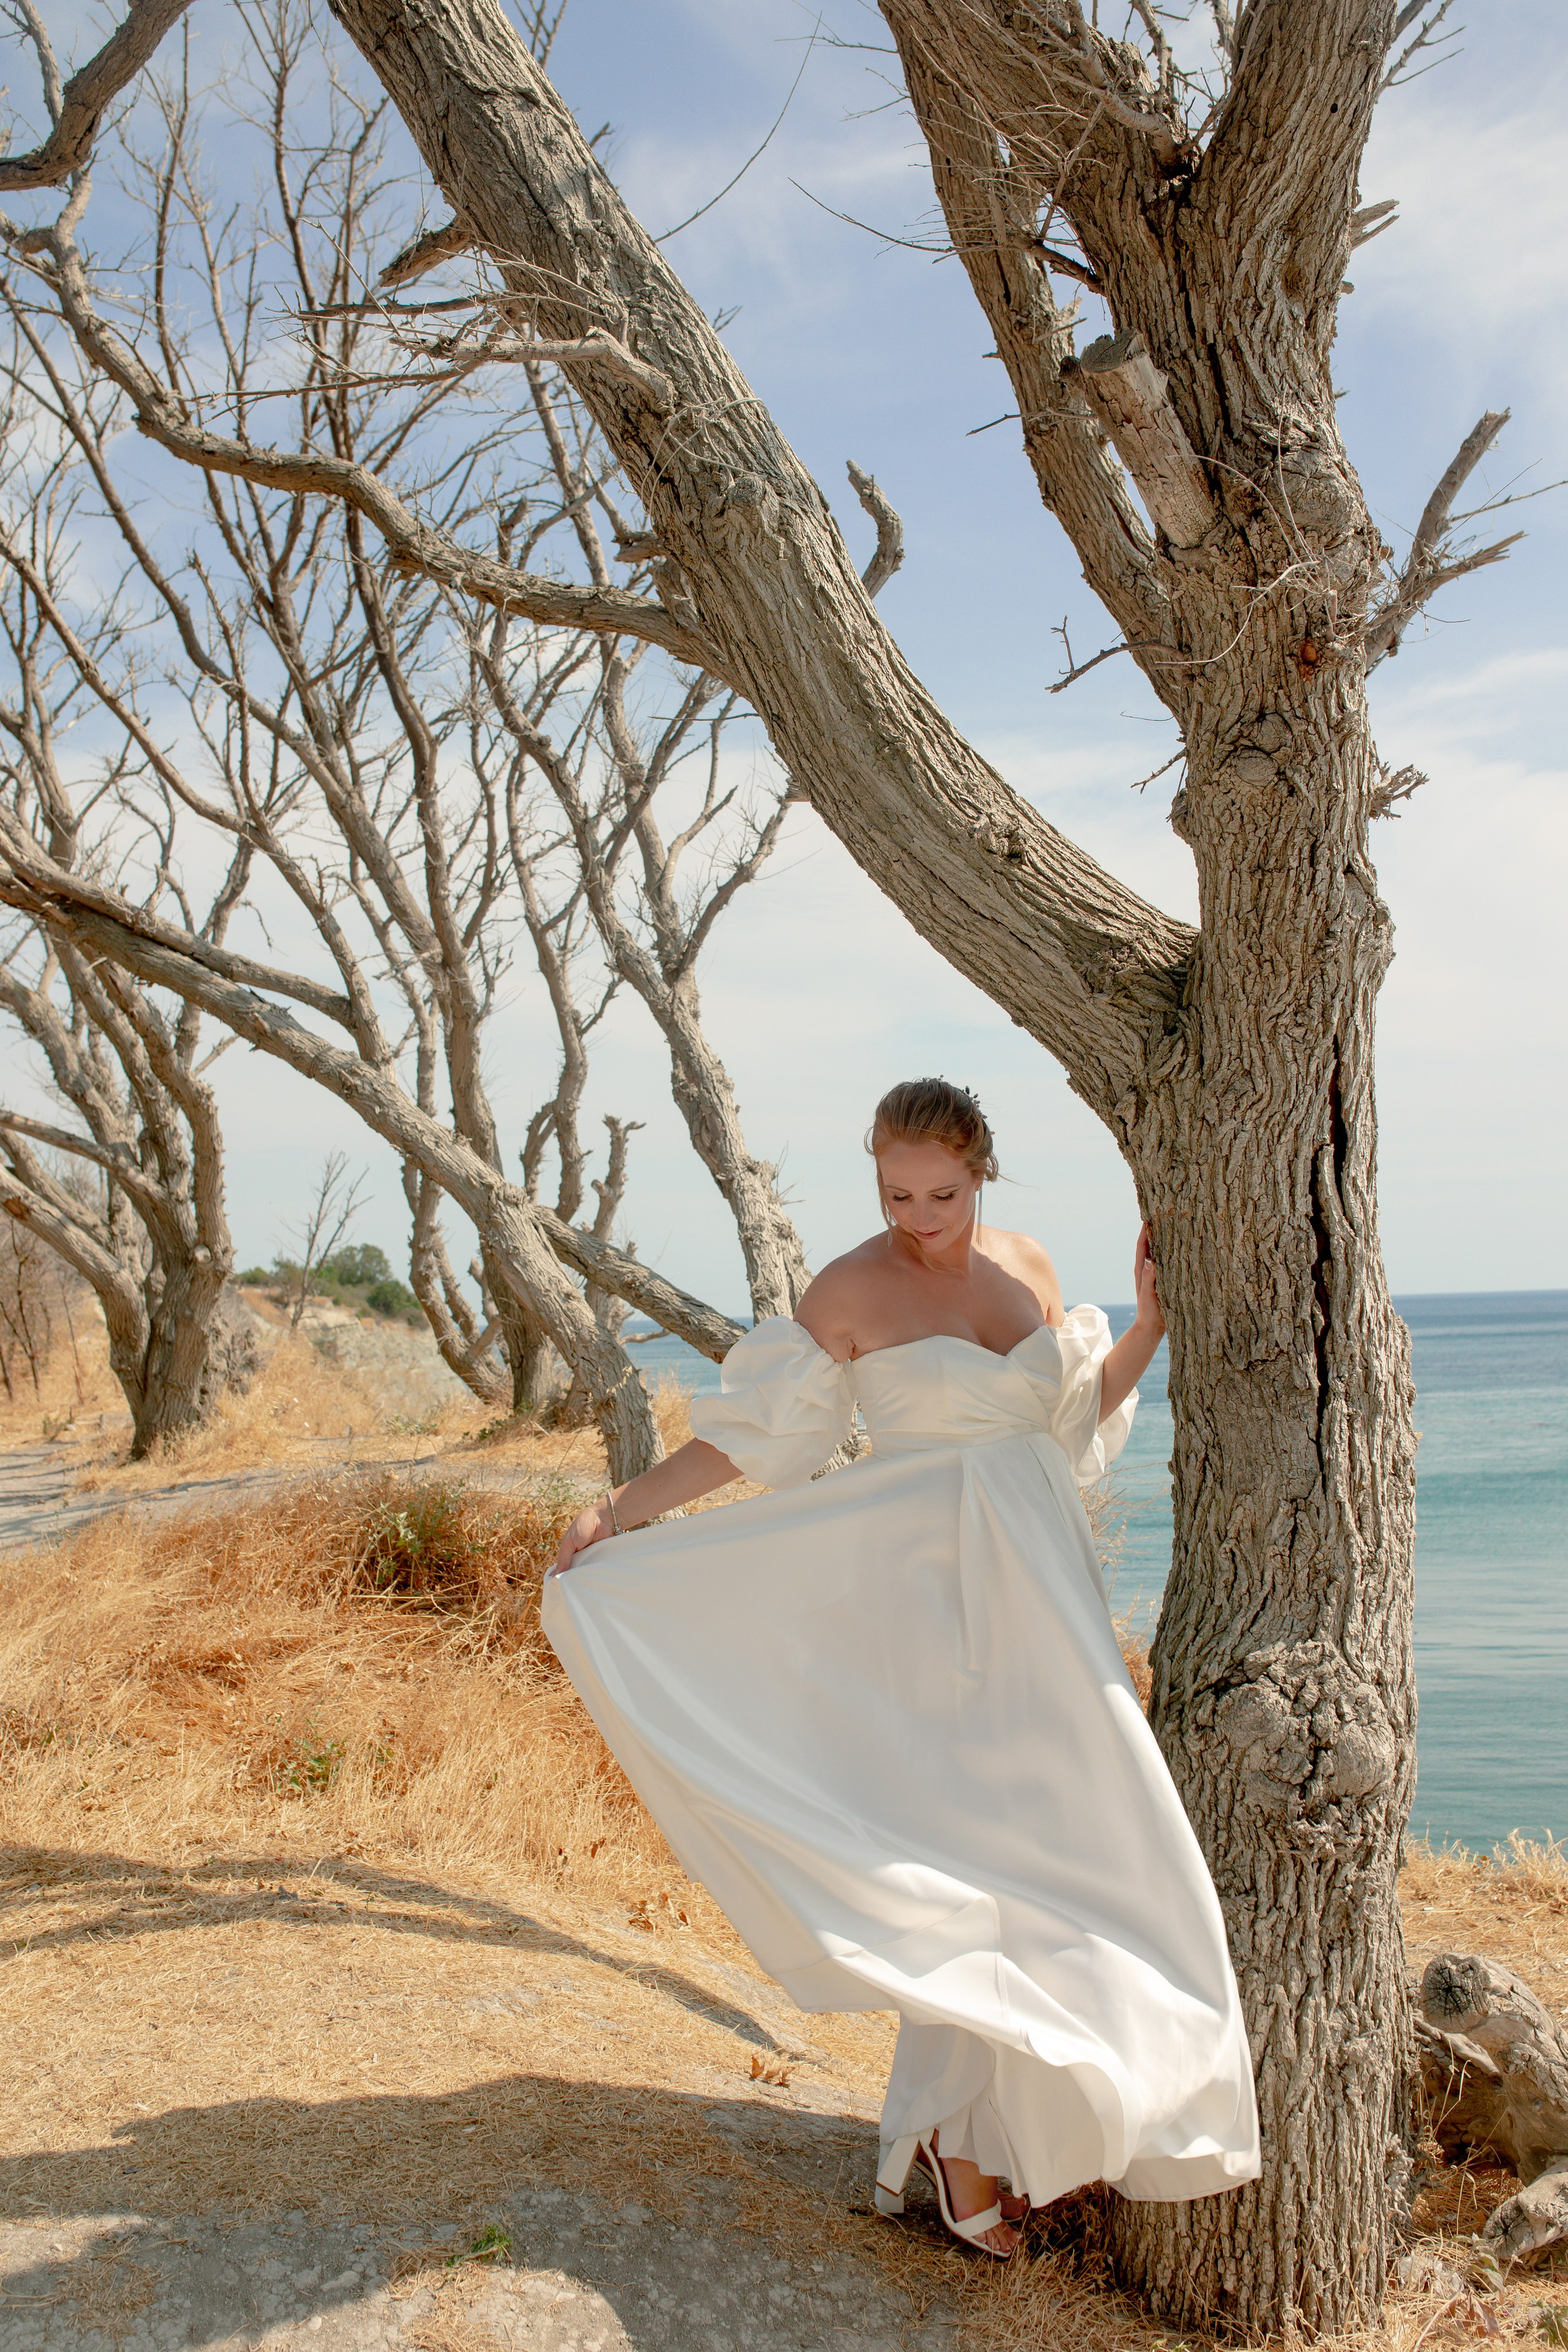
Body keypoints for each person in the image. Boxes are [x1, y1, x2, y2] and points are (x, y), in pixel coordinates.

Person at [546, 1079, 1260, 2259]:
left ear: (983, 1174)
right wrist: (617, 1514)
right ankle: (961, 2144)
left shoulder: (1026, 1266)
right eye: (895, 1193)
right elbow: (751, 1439)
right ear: (872, 1176)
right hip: (933, 1606)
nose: (919, 1216)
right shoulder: (848, 1291)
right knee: (974, 1864)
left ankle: (977, 2130)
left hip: (1049, 1596)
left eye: (942, 1193)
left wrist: (1145, 1329)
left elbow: (1069, 1421)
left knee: (1075, 1849)